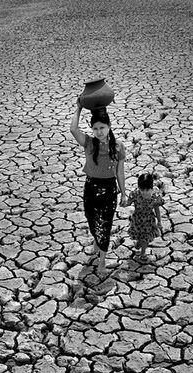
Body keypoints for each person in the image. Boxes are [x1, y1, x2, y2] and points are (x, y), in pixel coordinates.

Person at [70, 100, 127, 273]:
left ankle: (102, 260)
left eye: (102, 128)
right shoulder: (89, 143)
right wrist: (79, 108)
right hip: (91, 188)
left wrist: (123, 193)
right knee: (91, 219)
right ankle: (97, 239)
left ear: (109, 126)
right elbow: (73, 130)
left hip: (109, 190)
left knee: (105, 224)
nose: (99, 132)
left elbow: (120, 173)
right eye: (95, 128)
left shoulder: (118, 147)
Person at [126, 172, 164, 261]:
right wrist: (124, 203)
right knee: (139, 235)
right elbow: (128, 202)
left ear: (151, 188)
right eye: (142, 190)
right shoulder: (135, 194)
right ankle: (139, 242)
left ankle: (143, 252)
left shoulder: (155, 196)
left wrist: (159, 221)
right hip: (137, 219)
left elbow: (157, 209)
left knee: (146, 237)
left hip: (148, 220)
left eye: (147, 190)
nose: (144, 193)